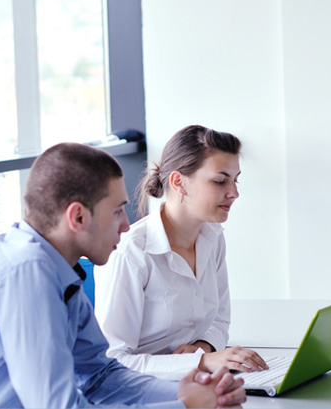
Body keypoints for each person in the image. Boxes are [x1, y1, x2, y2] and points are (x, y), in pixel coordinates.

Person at [0, 142, 246, 408]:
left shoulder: (58, 270)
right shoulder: (27, 276)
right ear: (78, 217)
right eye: (117, 211)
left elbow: (101, 377)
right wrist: (184, 406)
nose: (126, 225)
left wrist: (188, 393)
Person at [95, 125, 267, 380]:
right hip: (139, 392)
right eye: (220, 181)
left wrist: (204, 348)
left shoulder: (213, 237)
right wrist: (202, 361)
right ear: (179, 183)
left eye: (235, 180)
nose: (234, 193)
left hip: (193, 384)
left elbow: (219, 320)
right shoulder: (132, 252)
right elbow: (113, 362)